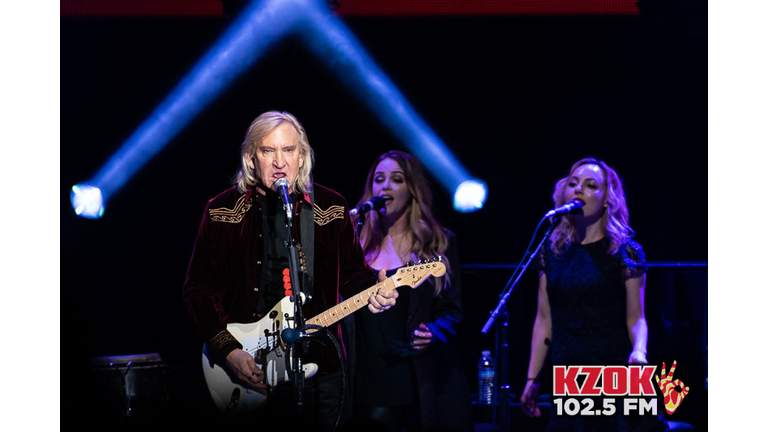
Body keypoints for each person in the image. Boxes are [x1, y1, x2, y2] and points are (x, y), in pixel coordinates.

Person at [182, 111, 398, 432]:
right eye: (269, 151)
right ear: (251, 158)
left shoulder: (331, 207)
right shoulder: (222, 211)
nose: (279, 161)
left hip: (320, 368)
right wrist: (228, 350)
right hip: (246, 365)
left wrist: (375, 290)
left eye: (289, 150)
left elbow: (353, 276)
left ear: (302, 156)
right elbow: (197, 289)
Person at [520, 157, 666, 431]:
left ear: (607, 199)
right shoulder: (551, 252)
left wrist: (639, 351)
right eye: (573, 184)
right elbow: (544, 320)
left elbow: (637, 318)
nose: (578, 190)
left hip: (614, 374)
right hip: (569, 376)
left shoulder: (625, 251)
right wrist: (532, 378)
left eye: (590, 186)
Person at [349, 150, 472, 432]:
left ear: (412, 189)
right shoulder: (355, 245)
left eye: (397, 179)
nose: (385, 187)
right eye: (379, 179)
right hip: (367, 379)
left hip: (418, 379)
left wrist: (434, 333)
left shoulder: (438, 244)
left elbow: (451, 312)